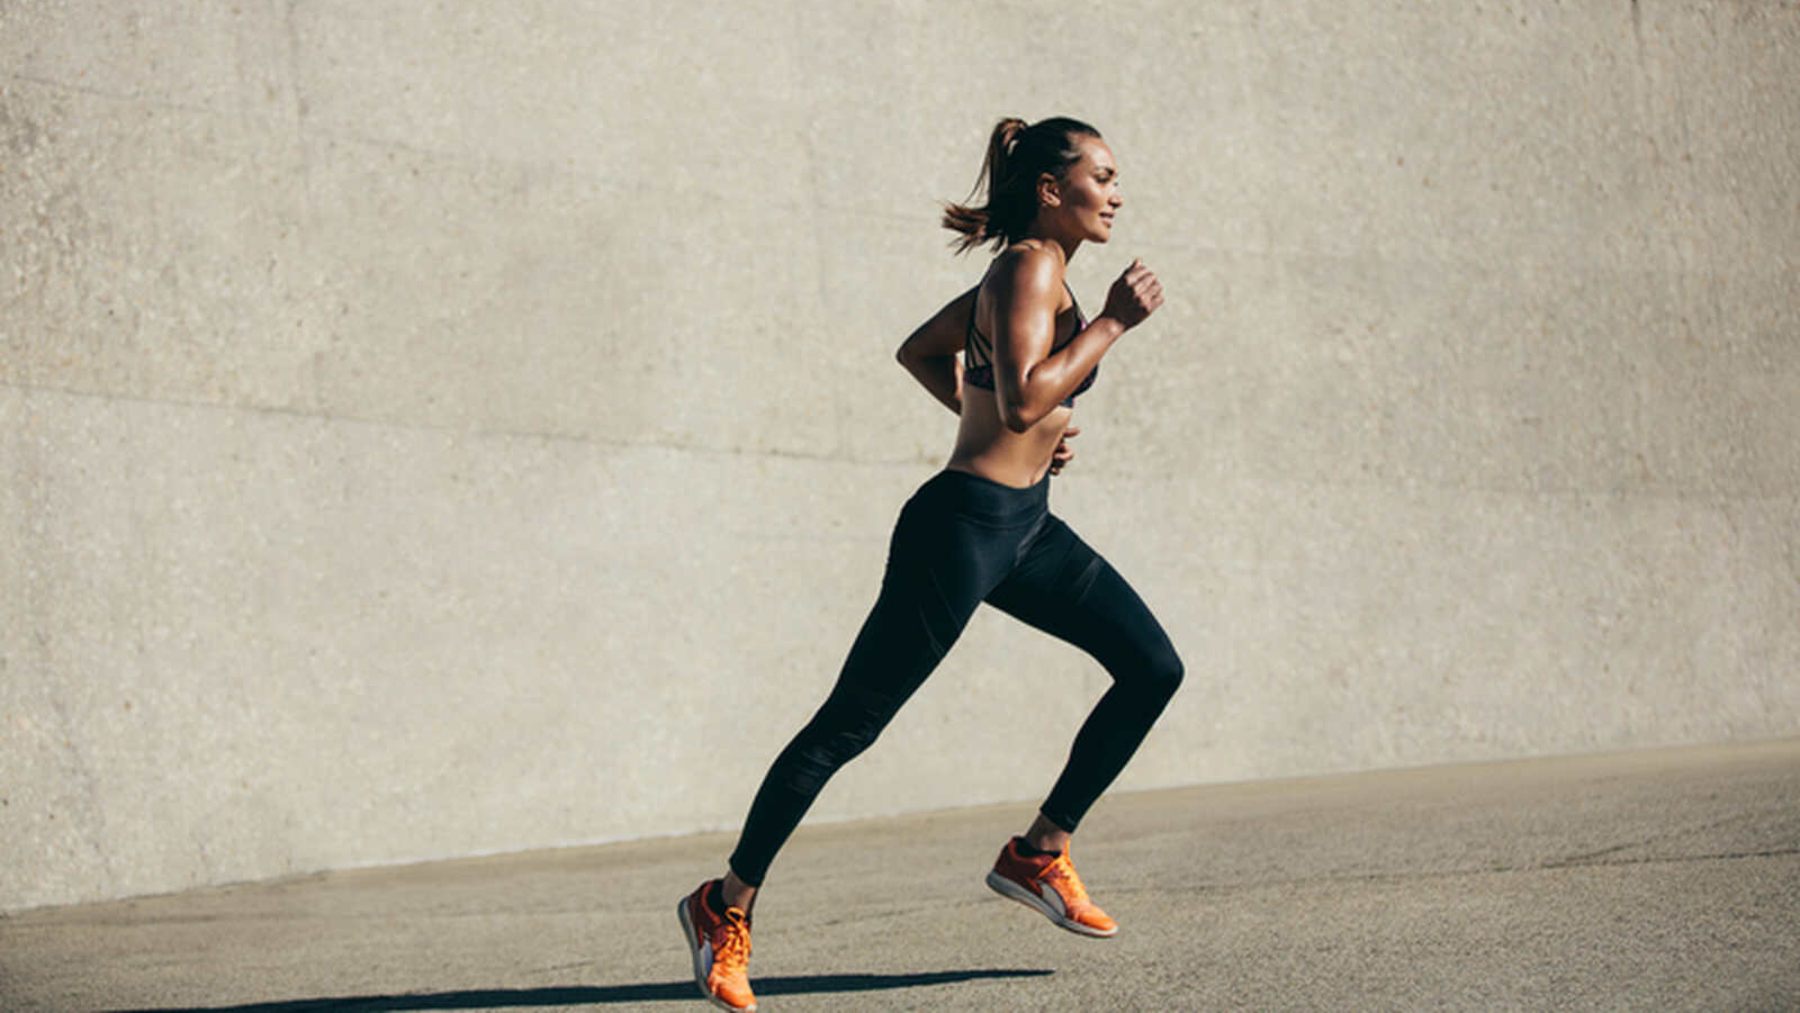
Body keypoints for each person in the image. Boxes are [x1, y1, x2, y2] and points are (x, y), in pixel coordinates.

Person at [676, 116, 1181, 1012]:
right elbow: (1026, 395)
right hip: (961, 533)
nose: (1117, 192)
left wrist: (1001, 426)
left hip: (1025, 526)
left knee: (1152, 666)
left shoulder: (1037, 274)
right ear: (1050, 190)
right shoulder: (1030, 267)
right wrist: (1110, 325)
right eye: (1101, 176)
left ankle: (1038, 852)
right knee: (847, 726)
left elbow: (933, 357)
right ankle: (724, 905)